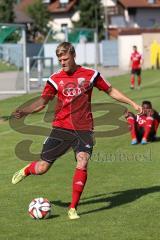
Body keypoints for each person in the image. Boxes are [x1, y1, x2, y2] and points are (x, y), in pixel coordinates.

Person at [12, 42, 142, 220]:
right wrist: (25, 111)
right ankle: (27, 170)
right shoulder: (55, 79)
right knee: (42, 168)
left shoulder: (91, 75)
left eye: (65, 59)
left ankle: (72, 208)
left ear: (73, 55)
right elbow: (42, 102)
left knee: (82, 161)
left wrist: (132, 103)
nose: (62, 62)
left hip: (84, 129)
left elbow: (110, 90)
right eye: (60, 59)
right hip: (61, 128)